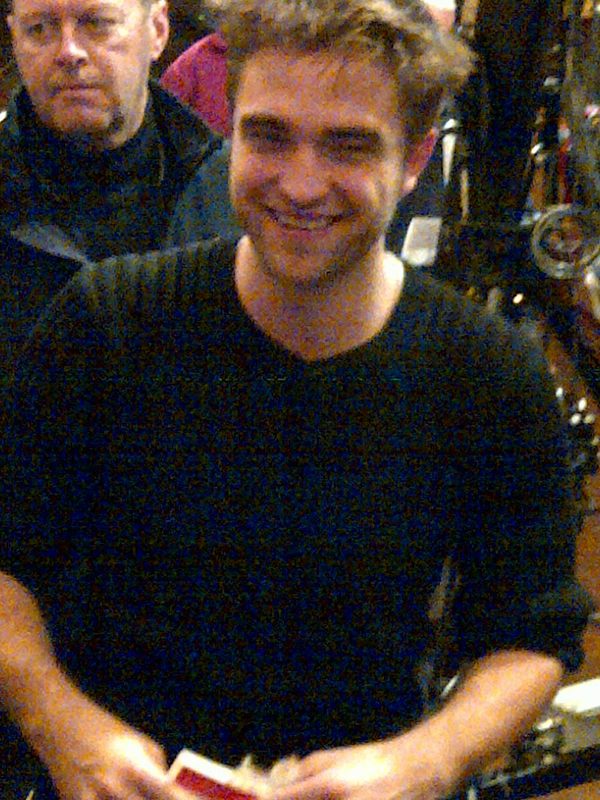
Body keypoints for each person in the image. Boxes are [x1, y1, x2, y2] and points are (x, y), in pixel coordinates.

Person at [0, 1, 593, 799]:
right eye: (269, 137)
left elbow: (532, 636)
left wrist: (426, 760)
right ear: (232, 129)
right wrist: (64, 728)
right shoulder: (107, 323)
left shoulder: (487, 374)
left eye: (349, 145)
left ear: (415, 158)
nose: (301, 184)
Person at [0, 0, 229, 374]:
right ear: (14, 38)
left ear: (157, 30)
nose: (68, 52)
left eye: (96, 23)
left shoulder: (231, 196)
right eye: (39, 28)